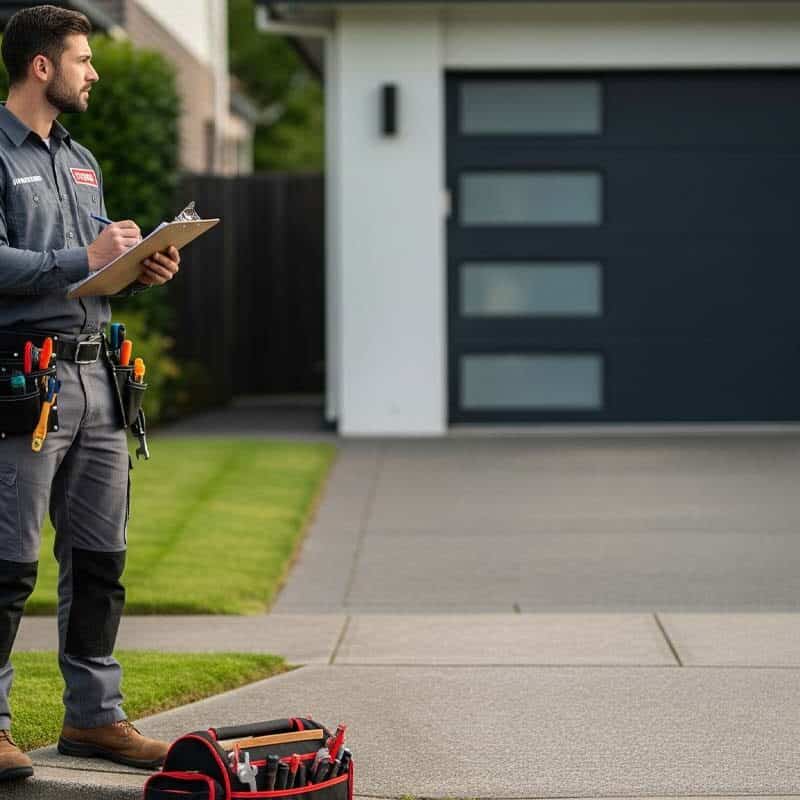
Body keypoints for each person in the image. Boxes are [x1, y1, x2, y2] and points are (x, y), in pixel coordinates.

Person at [0, 5, 180, 782]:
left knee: (100, 557)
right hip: (24, 379)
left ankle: (94, 717)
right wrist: (82, 254)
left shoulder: (84, 159)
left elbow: (90, 269)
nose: (93, 72)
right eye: (82, 58)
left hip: (99, 377)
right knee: (7, 563)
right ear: (42, 66)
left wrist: (138, 264)